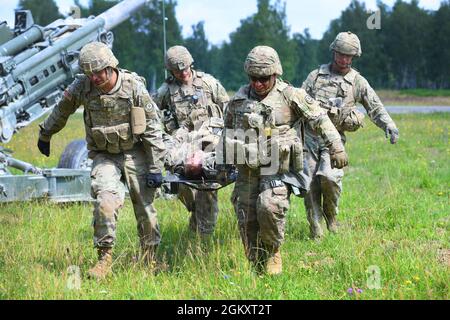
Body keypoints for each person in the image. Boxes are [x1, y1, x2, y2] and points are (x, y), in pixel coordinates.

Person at [37, 42, 166, 279]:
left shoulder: (133, 87)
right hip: (104, 155)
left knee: (146, 209)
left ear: (110, 66)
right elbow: (62, 109)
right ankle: (104, 259)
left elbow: (153, 129)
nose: (94, 78)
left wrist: (156, 167)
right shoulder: (83, 86)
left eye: (98, 72)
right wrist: (46, 133)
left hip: (135, 151)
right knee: (105, 202)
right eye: (89, 73)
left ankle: (150, 258)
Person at [220, 45, 348, 275]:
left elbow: (320, 119)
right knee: (246, 217)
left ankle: (273, 251)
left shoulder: (291, 95)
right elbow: (226, 132)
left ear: (275, 74)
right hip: (247, 170)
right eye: (253, 78)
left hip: (277, 168)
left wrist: (336, 146)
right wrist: (219, 161)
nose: (258, 84)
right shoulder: (238, 101)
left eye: (264, 78)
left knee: (268, 207)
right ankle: (256, 263)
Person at [301, 31, 399, 239]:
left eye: (349, 56)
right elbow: (298, 102)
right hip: (308, 138)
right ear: (334, 52)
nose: (344, 60)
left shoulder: (357, 82)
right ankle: (315, 228)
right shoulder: (315, 76)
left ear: (354, 57)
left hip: (334, 141)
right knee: (309, 183)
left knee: (329, 178)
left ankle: (331, 216)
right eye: (341, 55)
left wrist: (388, 125)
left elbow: (374, 106)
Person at [154, 45, 229, 237]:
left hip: (208, 142)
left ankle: (204, 236)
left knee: (207, 185)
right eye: (178, 71)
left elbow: (228, 108)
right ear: (171, 71)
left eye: (186, 68)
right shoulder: (166, 91)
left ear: (191, 65)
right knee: (178, 183)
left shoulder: (209, 83)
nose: (183, 73)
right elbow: (151, 115)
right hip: (182, 145)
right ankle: (197, 215)